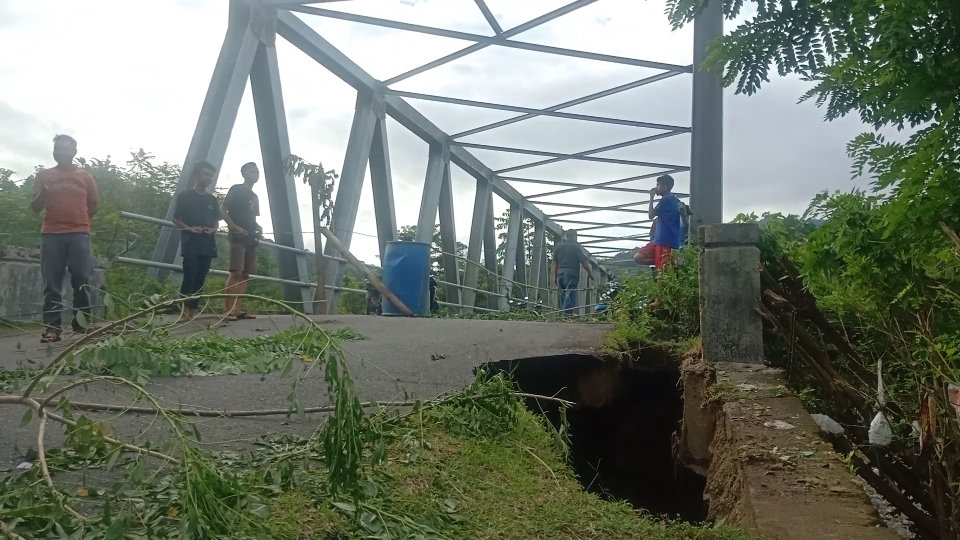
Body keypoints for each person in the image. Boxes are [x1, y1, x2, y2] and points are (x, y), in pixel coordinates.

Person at [31, 135, 100, 343]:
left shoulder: (85, 177)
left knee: (82, 279)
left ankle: (82, 325)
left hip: (79, 233)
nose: (60, 152)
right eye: (57, 149)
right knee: (52, 282)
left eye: (64, 149)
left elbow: (94, 205)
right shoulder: (44, 176)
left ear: (74, 152)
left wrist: (80, 222)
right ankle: (52, 328)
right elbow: (35, 207)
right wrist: (44, 193)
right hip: (52, 233)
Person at [172, 161, 221, 321]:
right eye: (206, 174)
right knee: (189, 277)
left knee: (201, 278)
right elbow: (176, 219)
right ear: (196, 175)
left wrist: (213, 229)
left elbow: (216, 221)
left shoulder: (211, 200)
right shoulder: (184, 196)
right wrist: (189, 228)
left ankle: (192, 312)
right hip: (191, 242)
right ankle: (183, 312)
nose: (209, 178)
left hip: (207, 244)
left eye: (211, 176)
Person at [634, 174, 686, 306]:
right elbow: (687, 211)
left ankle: (659, 300)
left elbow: (650, 215)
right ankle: (671, 261)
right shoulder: (675, 200)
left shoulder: (666, 200)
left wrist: (651, 197)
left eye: (658, 185)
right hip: (659, 239)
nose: (656, 188)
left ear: (665, 187)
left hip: (664, 239)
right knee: (639, 257)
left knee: (661, 271)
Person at [222, 162, 262, 321]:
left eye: (257, 172)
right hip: (237, 236)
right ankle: (228, 310)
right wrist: (233, 226)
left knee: (245, 274)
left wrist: (258, 227)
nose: (255, 175)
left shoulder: (254, 197)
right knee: (236, 271)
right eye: (252, 172)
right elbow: (223, 210)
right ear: (244, 173)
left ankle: (238, 309)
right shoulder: (236, 189)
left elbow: (252, 217)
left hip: (251, 237)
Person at [552, 230, 594, 316]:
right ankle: (566, 314)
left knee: (562, 294)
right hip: (571, 273)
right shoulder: (576, 247)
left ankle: (563, 313)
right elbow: (583, 262)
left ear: (566, 236)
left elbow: (555, 263)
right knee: (570, 294)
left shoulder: (559, 247)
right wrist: (590, 273)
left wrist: (555, 276)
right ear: (575, 236)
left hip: (560, 273)